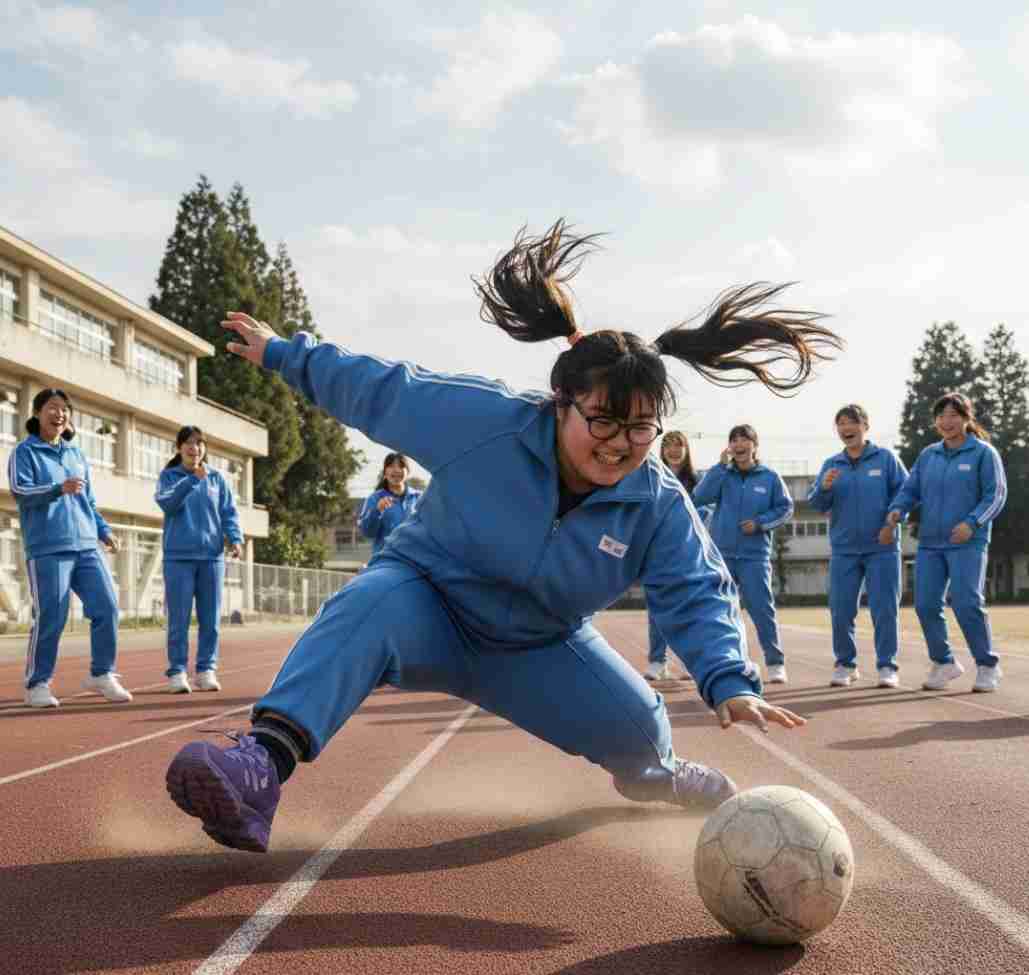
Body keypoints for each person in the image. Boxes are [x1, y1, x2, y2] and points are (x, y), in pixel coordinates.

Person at [165, 221, 841, 853]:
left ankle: (657, 775)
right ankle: (259, 764)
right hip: (425, 601)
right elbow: (383, 391)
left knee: (639, 729)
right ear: (561, 401)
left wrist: (727, 679)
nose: (619, 445)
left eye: (640, 428)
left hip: (538, 646)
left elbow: (696, 587)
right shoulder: (483, 419)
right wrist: (286, 354)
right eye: (603, 421)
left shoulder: (657, 502)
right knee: (363, 603)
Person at [8, 388, 131, 708]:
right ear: (37, 414)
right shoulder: (25, 452)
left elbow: (88, 501)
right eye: (52, 408)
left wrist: (103, 531)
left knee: (107, 607)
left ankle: (102, 673)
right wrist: (57, 489)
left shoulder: (75, 454)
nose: (59, 414)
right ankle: (38, 683)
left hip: (87, 545)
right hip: (48, 547)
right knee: (52, 616)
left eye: (64, 409)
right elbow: (20, 491)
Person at [887, 392, 1007, 692]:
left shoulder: (983, 453)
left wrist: (972, 522)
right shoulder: (929, 454)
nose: (947, 421)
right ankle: (944, 662)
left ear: (967, 418)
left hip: (968, 541)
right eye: (941, 416)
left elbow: (996, 495)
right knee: (926, 604)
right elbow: (910, 488)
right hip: (931, 543)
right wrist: (897, 509)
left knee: (966, 602)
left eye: (954, 415)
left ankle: (987, 666)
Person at [807, 405, 908, 688]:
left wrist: (893, 523)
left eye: (851, 422)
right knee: (840, 609)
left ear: (865, 425)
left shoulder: (886, 459)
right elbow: (816, 503)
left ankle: (887, 666)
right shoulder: (831, 464)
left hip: (882, 548)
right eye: (840, 424)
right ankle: (845, 664)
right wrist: (824, 488)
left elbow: (906, 493)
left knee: (884, 609)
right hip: (844, 549)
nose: (845, 428)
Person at [693, 425, 793, 684]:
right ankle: (719, 663)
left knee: (761, 609)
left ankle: (775, 662)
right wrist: (718, 467)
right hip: (722, 554)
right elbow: (699, 496)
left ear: (754, 445)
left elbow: (785, 509)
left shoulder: (770, 477)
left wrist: (760, 523)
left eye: (744, 439)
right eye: (734, 440)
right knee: (718, 609)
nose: (738, 444)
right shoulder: (723, 475)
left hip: (754, 556)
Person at [155, 426, 243, 693]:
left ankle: (206, 670)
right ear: (179, 448)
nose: (195, 448)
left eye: (200, 443)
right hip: (178, 558)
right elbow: (167, 504)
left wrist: (235, 538)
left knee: (211, 619)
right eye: (189, 444)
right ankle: (177, 672)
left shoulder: (217, 479)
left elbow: (228, 512)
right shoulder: (168, 477)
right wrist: (193, 479)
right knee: (178, 619)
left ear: (205, 448)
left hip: (212, 558)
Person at [644, 430, 698, 682]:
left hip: (689, 553)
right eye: (667, 445)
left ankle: (690, 662)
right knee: (657, 608)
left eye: (679, 445)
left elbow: (705, 511)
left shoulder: (698, 481)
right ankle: (657, 661)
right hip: (658, 552)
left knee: (690, 609)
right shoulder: (652, 477)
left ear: (686, 450)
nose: (673, 450)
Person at [357, 452, 423, 557]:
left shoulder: (419, 498)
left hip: (415, 560)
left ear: (408, 472)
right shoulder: (374, 499)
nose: (396, 470)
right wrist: (377, 511)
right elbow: (367, 533)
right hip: (386, 560)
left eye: (401, 466)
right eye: (391, 466)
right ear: (385, 472)